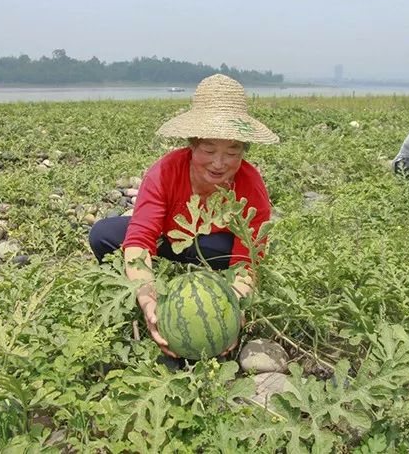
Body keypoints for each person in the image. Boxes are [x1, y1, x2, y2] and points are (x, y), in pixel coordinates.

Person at [88, 73, 279, 358]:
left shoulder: (251, 185)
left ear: (244, 149)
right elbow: (141, 238)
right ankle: (130, 290)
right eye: (208, 149)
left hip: (215, 251)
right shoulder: (165, 171)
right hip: (168, 241)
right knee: (104, 234)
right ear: (192, 144)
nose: (219, 163)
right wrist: (147, 299)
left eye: (232, 151)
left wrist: (230, 311)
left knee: (225, 251)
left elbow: (246, 260)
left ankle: (209, 287)